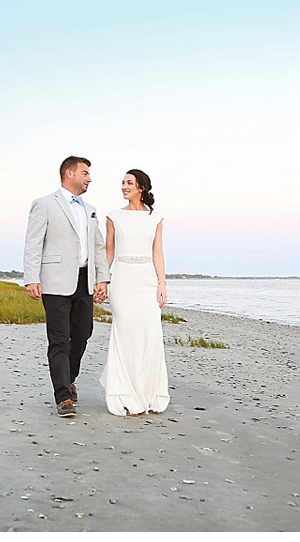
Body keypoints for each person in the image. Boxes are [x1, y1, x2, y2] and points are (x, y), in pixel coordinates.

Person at [23, 156, 110, 418]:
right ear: (69, 173)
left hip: (85, 281)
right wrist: (31, 277)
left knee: (83, 334)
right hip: (55, 281)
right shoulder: (45, 204)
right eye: (85, 173)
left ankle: (69, 376)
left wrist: (102, 278)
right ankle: (62, 396)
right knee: (59, 339)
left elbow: (98, 247)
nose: (89, 178)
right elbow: (33, 242)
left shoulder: (90, 208)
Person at [99, 169, 170, 416]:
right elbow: (109, 251)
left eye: (129, 183)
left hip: (147, 281)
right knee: (125, 334)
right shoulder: (113, 216)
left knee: (150, 335)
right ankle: (126, 395)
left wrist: (162, 283)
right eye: (122, 183)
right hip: (123, 280)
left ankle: (150, 394)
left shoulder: (156, 218)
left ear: (141, 187)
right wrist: (102, 280)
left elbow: (157, 252)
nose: (123, 186)